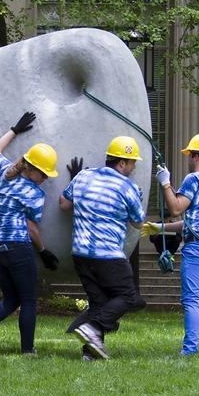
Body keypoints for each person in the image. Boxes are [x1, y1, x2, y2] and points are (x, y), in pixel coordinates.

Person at [0, 112, 60, 355]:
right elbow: (32, 229)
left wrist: (14, 130)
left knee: (11, 298)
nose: (45, 179)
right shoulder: (36, 194)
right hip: (18, 247)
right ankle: (28, 351)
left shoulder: (7, 172)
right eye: (44, 174)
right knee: (29, 300)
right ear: (32, 169)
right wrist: (43, 251)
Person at [59, 136, 146, 360]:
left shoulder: (84, 175)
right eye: (132, 162)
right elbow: (138, 223)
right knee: (128, 295)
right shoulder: (128, 186)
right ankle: (93, 327)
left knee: (99, 302)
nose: (134, 166)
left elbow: (64, 204)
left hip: (80, 252)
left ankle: (90, 353)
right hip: (107, 254)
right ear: (122, 163)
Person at [151, 133, 199, 356]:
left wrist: (165, 182)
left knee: (191, 298)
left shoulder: (193, 180)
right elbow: (192, 221)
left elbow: (175, 209)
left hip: (198, 249)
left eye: (189, 154)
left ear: (195, 156)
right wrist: (160, 228)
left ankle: (190, 350)